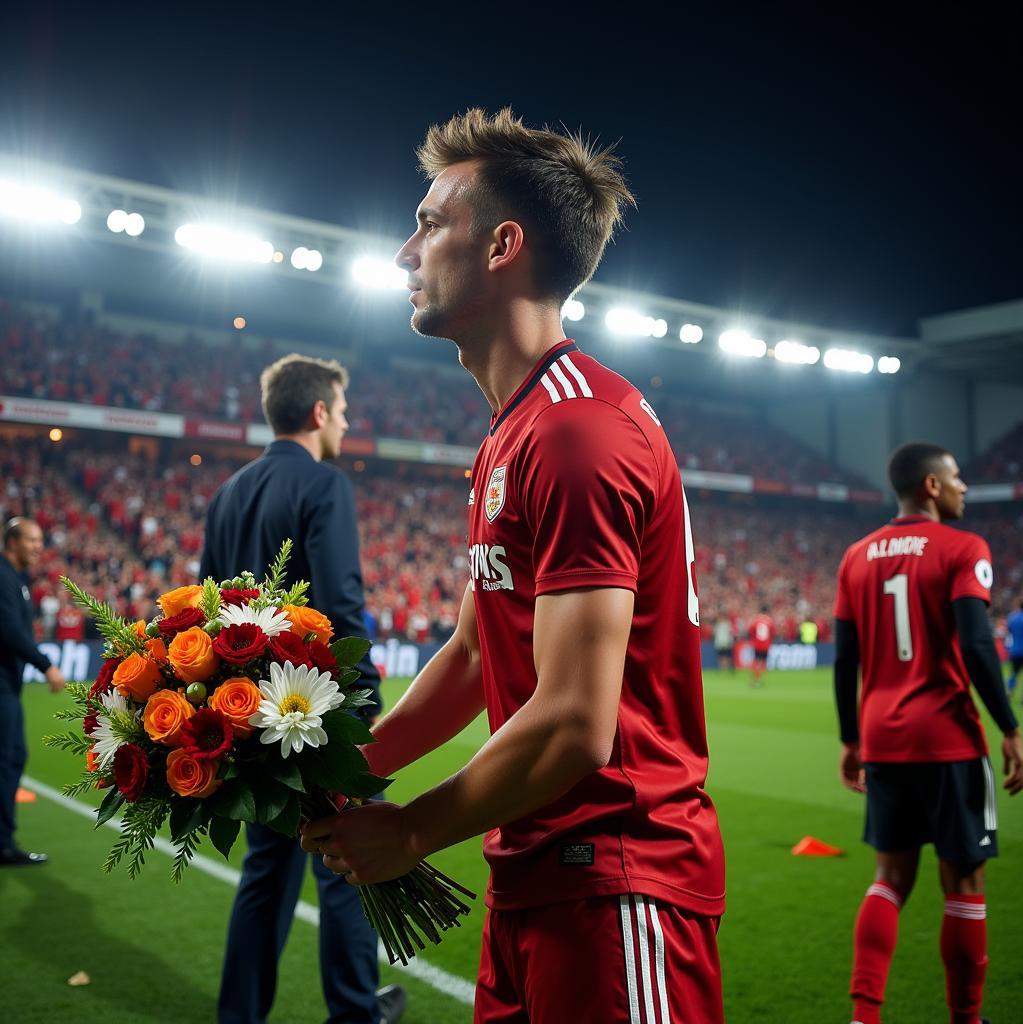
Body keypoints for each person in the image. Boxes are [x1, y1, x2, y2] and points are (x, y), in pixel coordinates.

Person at [301, 108, 726, 1023]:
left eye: (428, 223)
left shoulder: (577, 432)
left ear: (502, 246)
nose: (405, 251)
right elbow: (473, 653)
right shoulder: (516, 429)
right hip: (538, 870)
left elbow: (576, 722)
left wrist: (412, 829)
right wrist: (348, 766)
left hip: (618, 881)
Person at [199, 355, 405, 1024]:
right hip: (310, 709)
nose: (345, 423)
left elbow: (202, 617)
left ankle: (241, 1016)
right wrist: (365, 708)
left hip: (246, 718)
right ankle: (353, 1013)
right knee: (346, 869)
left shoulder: (226, 493)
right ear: (319, 413)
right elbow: (343, 603)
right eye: (342, 411)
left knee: (265, 875)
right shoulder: (324, 485)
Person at [833, 441, 1023, 1024]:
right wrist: (1011, 729)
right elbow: (974, 643)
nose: (966, 486)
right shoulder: (965, 548)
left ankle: (865, 1017)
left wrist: (850, 739)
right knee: (963, 881)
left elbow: (845, 660)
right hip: (948, 738)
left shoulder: (856, 556)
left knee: (889, 879)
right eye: (958, 477)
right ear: (932, 487)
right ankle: (966, 1019)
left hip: (883, 738)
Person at [0, 518, 66, 866]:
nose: (39, 546)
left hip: (8, 684)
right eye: (32, 539)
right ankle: (2, 843)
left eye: (41, 539)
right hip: (2, 687)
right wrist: (46, 665)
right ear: (12, 541)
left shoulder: (16, 578)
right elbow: (9, 629)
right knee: (9, 758)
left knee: (11, 756)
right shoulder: (4, 576)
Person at [748, 604, 774, 686]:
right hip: (766, 644)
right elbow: (772, 632)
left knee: (757, 661)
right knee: (763, 662)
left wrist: (753, 640)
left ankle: (756, 678)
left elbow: (751, 631)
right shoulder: (769, 620)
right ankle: (761, 679)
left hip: (757, 644)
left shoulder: (756, 620)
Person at [1005, 598, 1023, 698]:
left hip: (1015, 650)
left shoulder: (1013, 617)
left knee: (1014, 672)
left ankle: (1009, 691)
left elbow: (1009, 631)